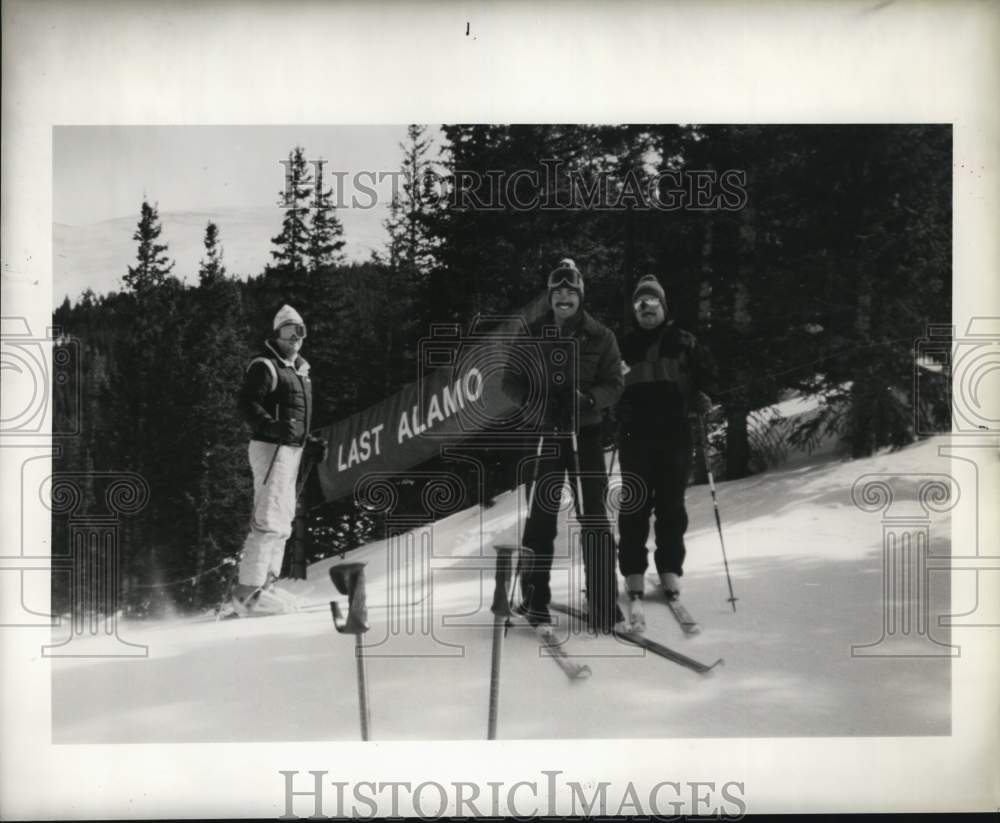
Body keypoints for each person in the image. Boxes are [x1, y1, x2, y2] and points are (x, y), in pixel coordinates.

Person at [505, 259, 626, 634]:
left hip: (585, 433)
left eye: (570, 293)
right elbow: (511, 381)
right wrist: (536, 400)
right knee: (541, 518)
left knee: (594, 516)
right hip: (545, 432)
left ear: (580, 297)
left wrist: (589, 400)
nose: (563, 298)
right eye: (557, 293)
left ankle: (604, 601)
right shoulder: (532, 334)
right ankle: (534, 599)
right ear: (550, 298)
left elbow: (614, 383)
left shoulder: (600, 335)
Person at [616, 275, 715, 631]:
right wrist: (618, 407)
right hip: (636, 436)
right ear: (635, 311)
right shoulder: (623, 346)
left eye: (651, 303)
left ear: (662, 307)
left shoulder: (684, 341)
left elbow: (707, 377)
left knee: (671, 504)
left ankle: (670, 568)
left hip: (675, 433)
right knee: (635, 505)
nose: (646, 309)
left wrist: (702, 396)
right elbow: (612, 386)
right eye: (640, 304)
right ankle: (633, 571)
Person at [230, 304, 327, 615]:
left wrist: (306, 441)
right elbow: (246, 403)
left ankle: (266, 586)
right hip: (270, 448)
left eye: (301, 331)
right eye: (289, 331)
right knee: (268, 518)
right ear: (277, 334)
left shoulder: (300, 370)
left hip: (290, 450)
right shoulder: (266, 366)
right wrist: (270, 425)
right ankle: (248, 592)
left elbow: (295, 416)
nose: (296, 338)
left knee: (282, 521)